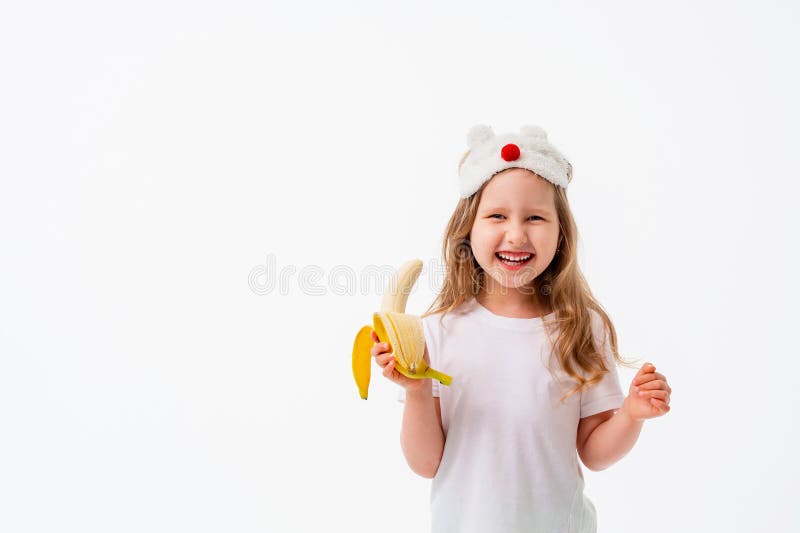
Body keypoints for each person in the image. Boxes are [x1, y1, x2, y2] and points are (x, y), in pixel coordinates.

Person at [371, 124, 673, 533]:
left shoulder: (581, 328)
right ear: (468, 230)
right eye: (497, 215)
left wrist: (631, 414)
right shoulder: (437, 332)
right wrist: (418, 389)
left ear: (560, 232)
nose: (516, 234)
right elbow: (426, 464)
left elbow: (595, 453)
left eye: (535, 217)